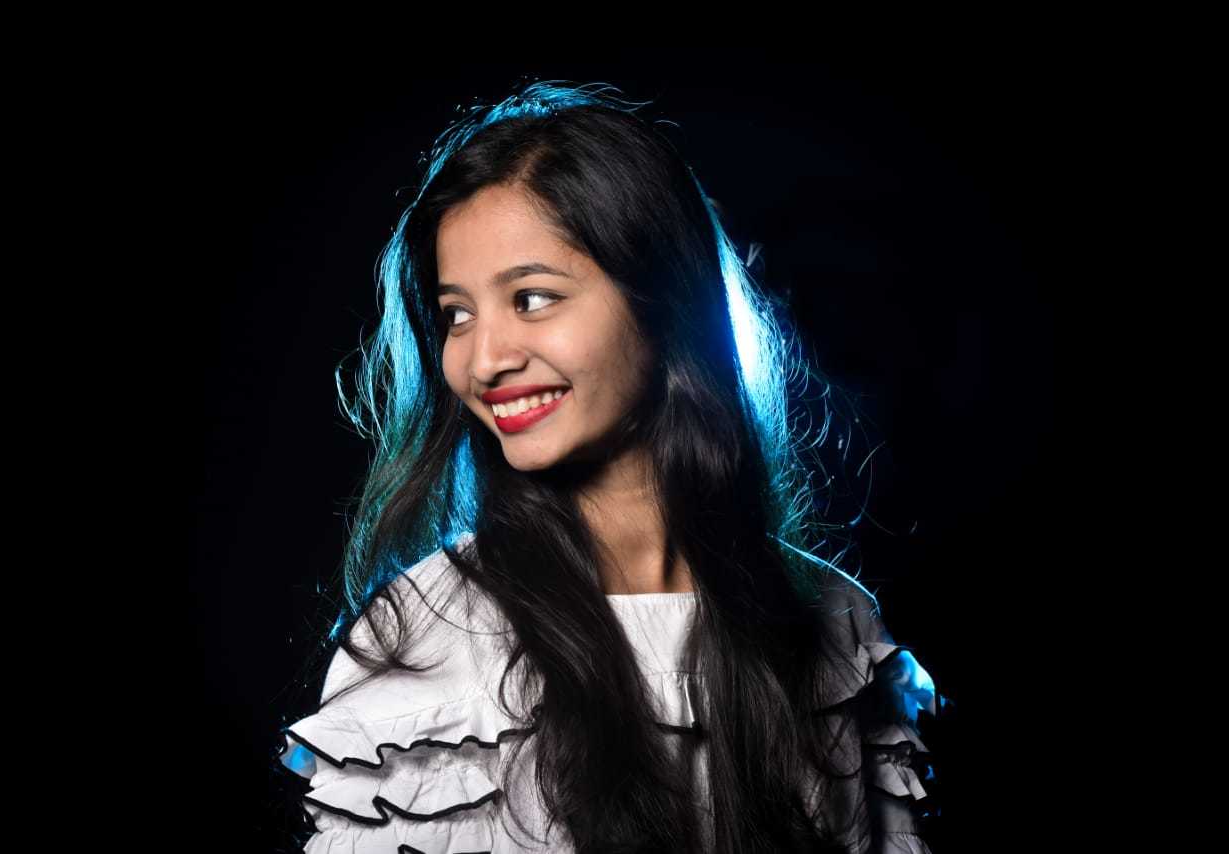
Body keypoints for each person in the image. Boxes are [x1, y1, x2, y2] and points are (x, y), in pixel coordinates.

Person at [277, 79, 943, 853]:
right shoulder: (421, 646)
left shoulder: (838, 622)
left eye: (532, 299)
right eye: (457, 314)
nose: (484, 361)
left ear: (662, 302)